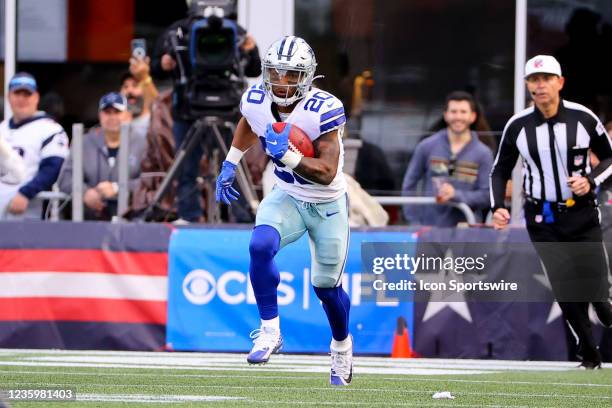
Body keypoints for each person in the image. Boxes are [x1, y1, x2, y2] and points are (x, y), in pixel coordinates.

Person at [215, 36, 353, 386]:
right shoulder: (257, 98)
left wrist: (289, 155)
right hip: (287, 194)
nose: (281, 80)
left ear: (307, 77)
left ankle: (341, 346)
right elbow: (251, 121)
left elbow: (326, 172)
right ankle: (270, 330)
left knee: (325, 287)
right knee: (260, 245)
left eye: (291, 74)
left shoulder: (324, 108)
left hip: (327, 204)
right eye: (275, 71)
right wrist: (231, 162)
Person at [490, 55, 612, 369]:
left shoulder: (583, 118)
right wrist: (498, 208)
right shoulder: (518, 125)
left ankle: (602, 308)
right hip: (543, 218)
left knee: (597, 290)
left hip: (582, 213)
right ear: (528, 86)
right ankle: (589, 354)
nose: (540, 85)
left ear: (560, 82)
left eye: (546, 78)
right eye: (534, 80)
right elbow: (499, 170)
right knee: (565, 286)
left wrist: (590, 180)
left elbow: (610, 159)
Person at [152, 0, 261, 223]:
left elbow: (254, 69)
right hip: (188, 108)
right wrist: (163, 63)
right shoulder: (178, 31)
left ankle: (241, 216)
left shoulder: (235, 31)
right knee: (186, 165)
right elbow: (155, 69)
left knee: (233, 162)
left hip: (227, 108)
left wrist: (252, 51)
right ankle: (188, 214)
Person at [402, 91, 493, 226]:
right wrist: (414, 221)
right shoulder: (426, 146)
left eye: (463, 112)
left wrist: (456, 195)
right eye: (453, 111)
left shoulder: (483, 153)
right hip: (429, 231)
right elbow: (409, 185)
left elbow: (487, 195)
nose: (458, 117)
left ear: (473, 116)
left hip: (466, 233)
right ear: (445, 115)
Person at [58, 92, 146, 220]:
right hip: (89, 223)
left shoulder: (143, 143)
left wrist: (117, 188)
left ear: (128, 115)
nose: (112, 117)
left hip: (132, 222)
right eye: (107, 112)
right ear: (100, 115)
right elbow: (65, 178)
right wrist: (85, 192)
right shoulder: (83, 142)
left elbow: (151, 182)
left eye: (117, 112)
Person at [0, 72, 69, 220]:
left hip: (31, 215)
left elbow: (53, 168)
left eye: (27, 94)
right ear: (8, 97)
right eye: (17, 94)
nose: (22, 99)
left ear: (36, 97)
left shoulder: (50, 129)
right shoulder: (1, 129)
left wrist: (26, 193)